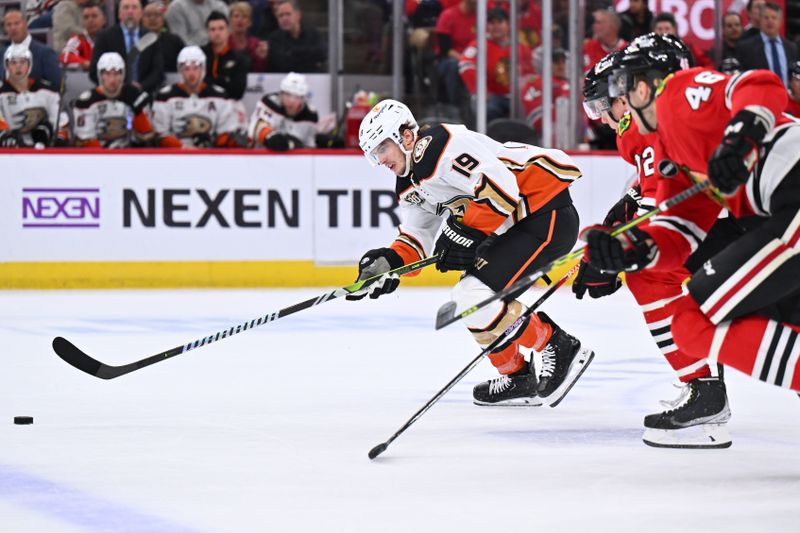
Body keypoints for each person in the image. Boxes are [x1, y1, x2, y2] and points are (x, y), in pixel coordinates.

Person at [583, 33, 800, 396]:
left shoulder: (678, 91)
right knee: (697, 324)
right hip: (780, 212)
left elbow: (761, 84)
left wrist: (739, 138)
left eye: (624, 86)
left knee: (693, 322)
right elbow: (680, 231)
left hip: (790, 197)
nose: (622, 105)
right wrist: (631, 250)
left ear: (646, 84)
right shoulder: (672, 151)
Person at [349, 99, 594, 407]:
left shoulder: (441, 146)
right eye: (374, 154)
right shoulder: (409, 183)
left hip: (545, 211)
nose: (380, 159)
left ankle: (558, 345)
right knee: (469, 296)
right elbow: (416, 237)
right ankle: (518, 376)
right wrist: (388, 264)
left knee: (473, 294)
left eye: (383, 147)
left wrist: (464, 232)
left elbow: (503, 187)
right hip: (516, 225)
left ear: (406, 136)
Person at [578, 46, 759, 448]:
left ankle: (704, 390)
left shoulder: (638, 124)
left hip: (732, 223)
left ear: (625, 95)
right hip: (733, 218)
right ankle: (705, 386)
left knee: (652, 277)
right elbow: (660, 189)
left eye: (600, 106)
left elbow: (660, 208)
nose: (602, 119)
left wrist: (616, 253)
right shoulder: (654, 116)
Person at [152, 45, 243, 148]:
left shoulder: (220, 96)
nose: (191, 74)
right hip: (176, 157)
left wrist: (213, 143)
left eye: (195, 68)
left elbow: (226, 131)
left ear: (203, 69)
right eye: (186, 69)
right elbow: (160, 134)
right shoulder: (165, 97)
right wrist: (182, 148)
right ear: (180, 71)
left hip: (211, 157)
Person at [458, 7, 533, 123]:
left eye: (500, 22)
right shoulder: (479, 44)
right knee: (488, 111)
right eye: (492, 23)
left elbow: (530, 75)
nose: (496, 26)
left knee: (527, 117)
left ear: (508, 25)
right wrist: (482, 90)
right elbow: (465, 65)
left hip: (515, 98)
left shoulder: (521, 48)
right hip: (490, 98)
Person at [72, 52, 155, 148]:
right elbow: (85, 140)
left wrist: (138, 112)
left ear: (123, 75)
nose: (112, 80)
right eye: (107, 74)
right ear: (100, 75)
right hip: (97, 158)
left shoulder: (133, 95)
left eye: (116, 74)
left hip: (128, 155)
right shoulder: (87, 101)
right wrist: (108, 158)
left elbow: (147, 136)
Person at [0, 44, 69, 147]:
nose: (18, 66)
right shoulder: (1, 93)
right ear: (7, 66)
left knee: (44, 129)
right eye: (13, 62)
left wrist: (59, 138)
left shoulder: (48, 91)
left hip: (42, 149)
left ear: (29, 65)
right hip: (9, 151)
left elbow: (61, 124)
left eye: (23, 62)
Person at [89, 0, 165, 94]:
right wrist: (119, 87)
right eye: (126, 7)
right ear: (119, 14)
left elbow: (158, 71)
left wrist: (141, 87)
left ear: (141, 13)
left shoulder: (150, 38)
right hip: (113, 95)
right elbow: (94, 70)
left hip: (144, 94)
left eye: (134, 7)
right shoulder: (105, 37)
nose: (130, 11)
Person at [735, 2, 798, 89]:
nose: (770, 21)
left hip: (787, 98)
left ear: (781, 21)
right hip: (759, 98)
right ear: (760, 20)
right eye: (766, 18)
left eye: (774, 17)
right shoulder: (746, 48)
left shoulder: (792, 48)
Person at [248, 71, 318, 150]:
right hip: (259, 156)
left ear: (303, 99)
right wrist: (269, 136)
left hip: (294, 160)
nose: (291, 101)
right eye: (288, 94)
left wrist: (293, 145)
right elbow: (256, 128)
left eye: (297, 97)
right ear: (281, 93)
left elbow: (310, 147)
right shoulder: (270, 103)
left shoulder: (310, 115)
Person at [0, 9, 62, 86]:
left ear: (25, 25)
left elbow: (56, 85)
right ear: (5, 29)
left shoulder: (45, 53)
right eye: (9, 25)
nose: (13, 28)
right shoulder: (1, 53)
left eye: (17, 23)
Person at [266, 0, 325, 72]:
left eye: (288, 14)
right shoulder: (274, 39)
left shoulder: (313, 34)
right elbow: (282, 63)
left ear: (298, 15)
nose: (284, 18)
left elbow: (322, 54)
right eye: (280, 16)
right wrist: (309, 57)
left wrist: (290, 52)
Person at [61, 2, 106, 71]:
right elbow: (65, 56)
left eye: (94, 16)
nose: (90, 20)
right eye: (86, 17)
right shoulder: (80, 38)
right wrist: (85, 63)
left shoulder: (112, 37)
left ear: (104, 20)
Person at [141, 2, 185, 74]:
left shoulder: (175, 41)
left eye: (157, 15)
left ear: (163, 19)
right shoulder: (136, 41)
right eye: (148, 15)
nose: (152, 19)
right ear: (142, 19)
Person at [228, 2, 268, 73]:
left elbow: (260, 72)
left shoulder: (256, 44)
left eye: (244, 16)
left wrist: (261, 59)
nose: (240, 20)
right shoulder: (224, 43)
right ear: (230, 21)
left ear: (250, 22)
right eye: (236, 16)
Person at [583, 8, 627, 72]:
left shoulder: (627, 49)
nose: (594, 26)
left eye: (598, 22)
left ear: (612, 26)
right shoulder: (587, 46)